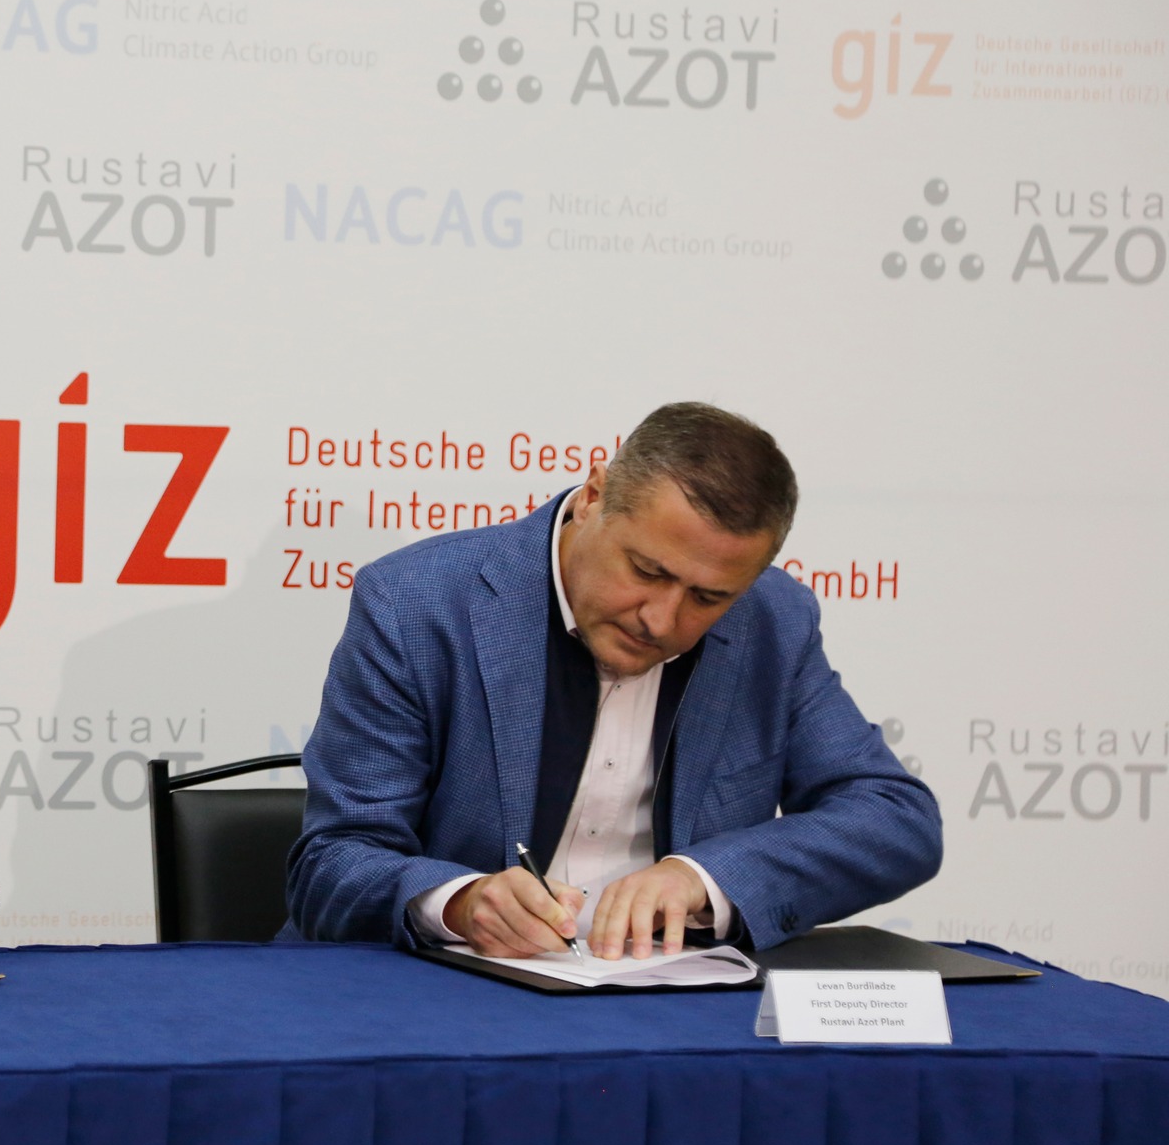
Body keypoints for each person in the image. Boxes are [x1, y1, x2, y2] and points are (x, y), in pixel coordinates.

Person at [286, 402, 940, 960]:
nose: (662, 620)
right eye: (647, 571)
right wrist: (459, 903)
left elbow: (894, 819)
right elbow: (334, 861)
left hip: (672, 1006)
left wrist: (705, 877)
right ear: (593, 497)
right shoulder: (417, 605)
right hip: (443, 998)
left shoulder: (774, 622)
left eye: (708, 598)